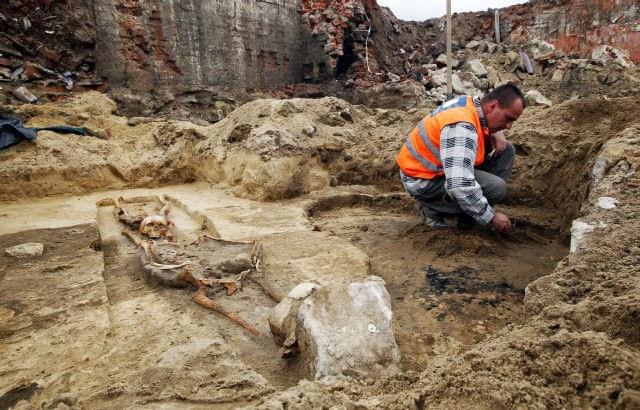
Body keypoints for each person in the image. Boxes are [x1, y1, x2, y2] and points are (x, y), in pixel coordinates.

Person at [396, 83, 526, 233]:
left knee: (506, 150)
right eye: (508, 118)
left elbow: (481, 115)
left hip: (439, 168)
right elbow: (459, 184)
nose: (509, 127)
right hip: (422, 180)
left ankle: (469, 211)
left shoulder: (472, 105)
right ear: (493, 106)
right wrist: (490, 216)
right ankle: (431, 207)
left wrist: (493, 131)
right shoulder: (462, 126)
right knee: (496, 188)